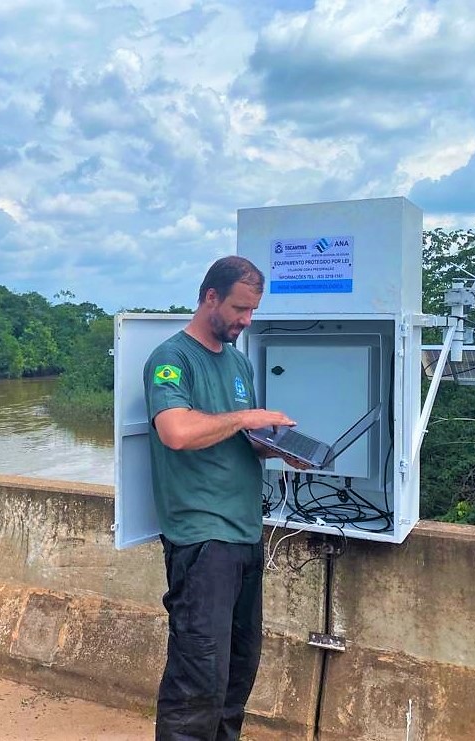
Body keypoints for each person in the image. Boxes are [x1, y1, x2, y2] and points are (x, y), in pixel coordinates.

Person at [143, 255, 300, 741]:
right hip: (202, 538)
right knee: (198, 678)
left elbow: (235, 436)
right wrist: (245, 418)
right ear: (210, 297)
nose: (246, 320)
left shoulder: (237, 362)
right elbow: (176, 432)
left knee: (237, 671)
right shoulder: (172, 359)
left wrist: (273, 446)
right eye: (239, 308)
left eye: (253, 311)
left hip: (245, 533)